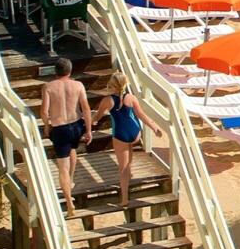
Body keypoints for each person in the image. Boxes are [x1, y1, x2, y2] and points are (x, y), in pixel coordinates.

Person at [90, 77, 162, 206]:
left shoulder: (107, 100)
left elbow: (98, 116)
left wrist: (90, 122)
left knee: (122, 168)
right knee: (129, 151)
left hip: (120, 134)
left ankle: (124, 199)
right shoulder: (131, 97)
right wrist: (154, 127)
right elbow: (141, 115)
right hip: (135, 131)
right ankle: (129, 173)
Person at [40, 59, 90, 212]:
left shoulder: (48, 87)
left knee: (62, 167)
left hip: (60, 127)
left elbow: (44, 111)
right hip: (76, 125)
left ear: (55, 71)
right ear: (70, 71)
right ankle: (72, 179)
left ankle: (69, 203)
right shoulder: (78, 85)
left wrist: (47, 126)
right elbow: (86, 109)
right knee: (72, 149)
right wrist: (88, 130)